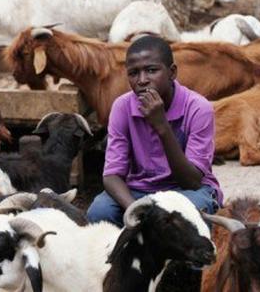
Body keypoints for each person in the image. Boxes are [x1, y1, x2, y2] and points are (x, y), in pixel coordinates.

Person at [86, 34, 222, 226]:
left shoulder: (198, 108)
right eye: (133, 73)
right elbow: (111, 176)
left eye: (151, 70)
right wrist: (136, 211)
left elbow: (191, 181)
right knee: (99, 211)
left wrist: (162, 127)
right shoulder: (122, 107)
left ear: (172, 72)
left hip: (186, 191)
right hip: (139, 191)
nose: (142, 80)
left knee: (191, 215)